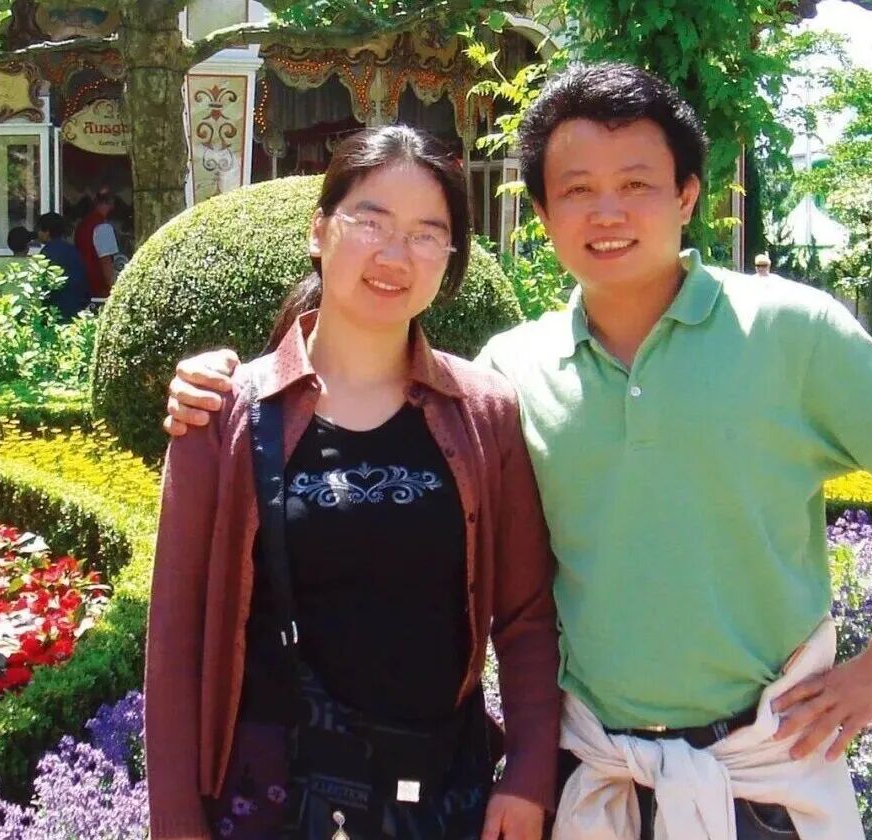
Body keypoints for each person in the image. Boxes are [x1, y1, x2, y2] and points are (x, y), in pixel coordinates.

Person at [163, 63, 872, 839]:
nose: (607, 213)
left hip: (761, 771)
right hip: (593, 773)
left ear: (687, 196)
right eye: (578, 190)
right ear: (544, 214)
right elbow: (182, 638)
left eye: (637, 185)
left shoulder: (786, 331)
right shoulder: (514, 372)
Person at [145, 126, 561, 840]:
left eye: (427, 234)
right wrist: (177, 825)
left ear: (450, 259)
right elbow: (176, 640)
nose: (395, 255)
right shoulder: (225, 414)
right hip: (272, 800)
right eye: (371, 221)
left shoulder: (483, 412)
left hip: (439, 795)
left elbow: (525, 615)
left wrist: (527, 775)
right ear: (319, 230)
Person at [36, 212, 90, 321]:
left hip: (54, 310)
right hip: (75, 307)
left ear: (47, 232)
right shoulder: (73, 251)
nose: (38, 234)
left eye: (39, 230)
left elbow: (42, 285)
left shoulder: (46, 253)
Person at [75, 187, 121, 299]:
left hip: (83, 282)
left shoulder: (82, 225)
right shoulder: (103, 227)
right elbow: (106, 261)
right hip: (99, 287)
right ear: (111, 203)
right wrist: (114, 289)